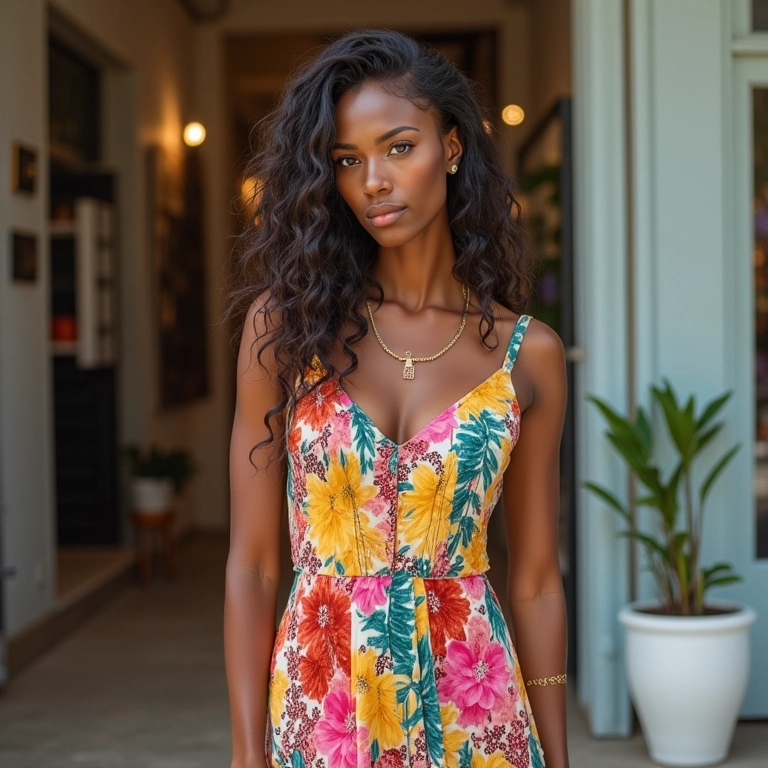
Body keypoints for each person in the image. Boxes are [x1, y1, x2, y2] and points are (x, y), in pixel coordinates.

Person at [224, 29, 569, 768]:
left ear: (450, 147)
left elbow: (536, 578)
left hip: (480, 721)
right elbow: (253, 563)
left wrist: (558, 752)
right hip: (323, 721)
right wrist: (244, 751)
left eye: (398, 147)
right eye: (348, 161)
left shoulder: (526, 354)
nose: (373, 179)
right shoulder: (285, 330)